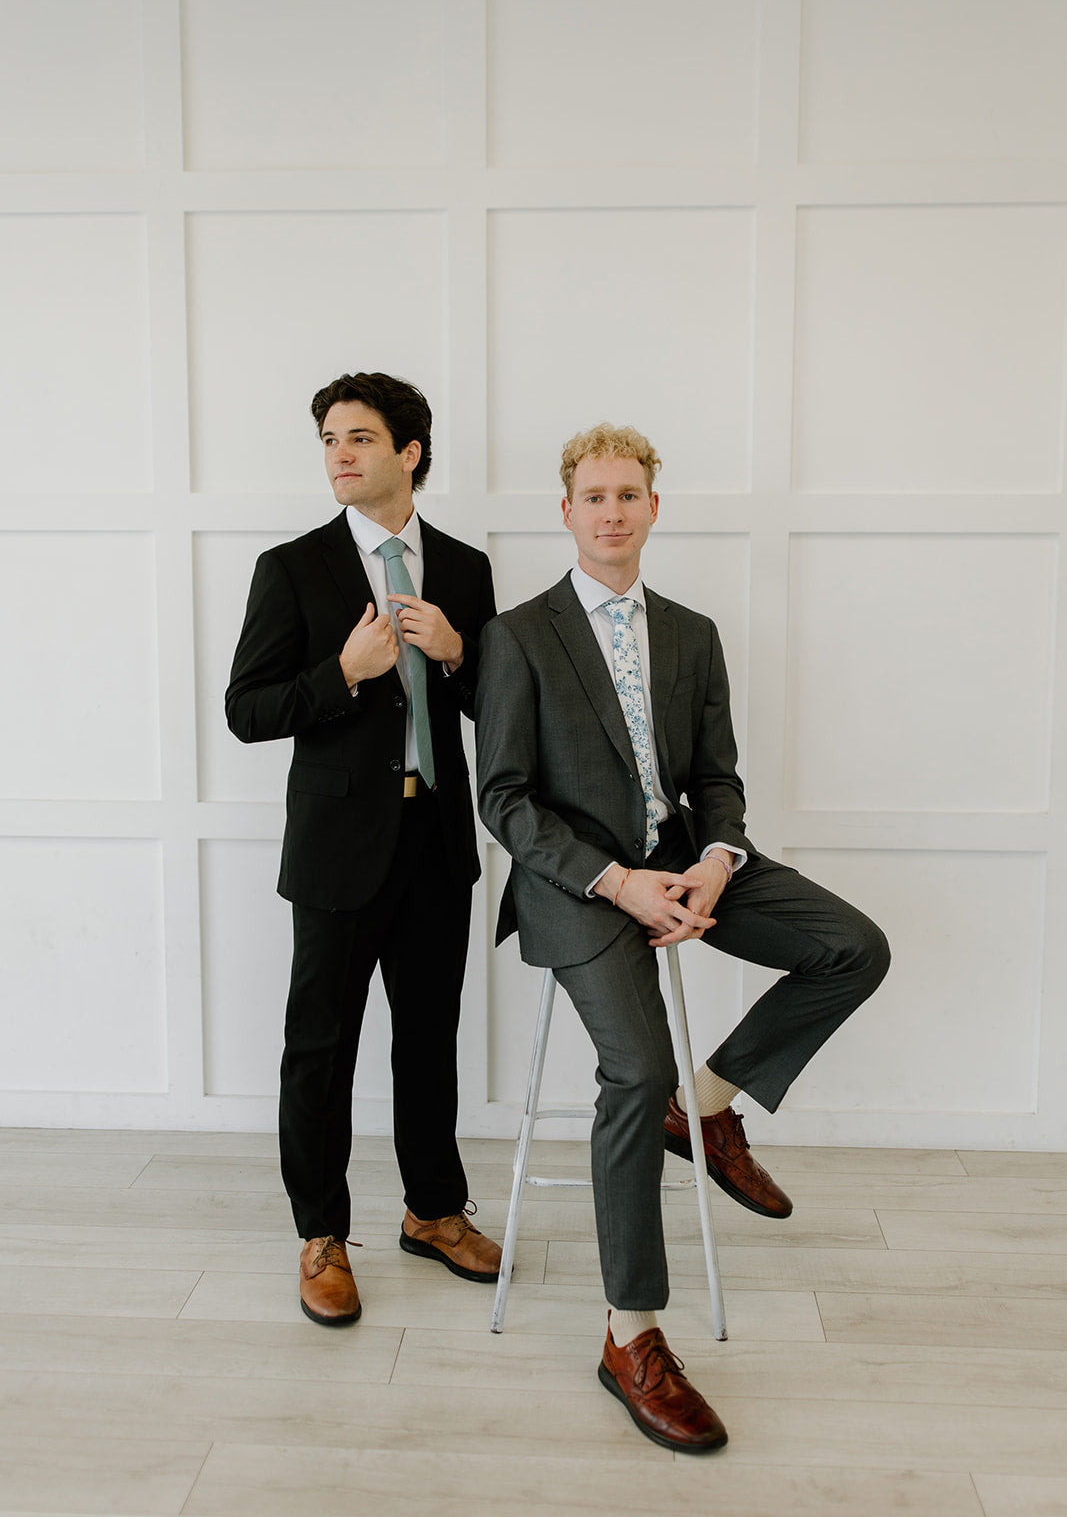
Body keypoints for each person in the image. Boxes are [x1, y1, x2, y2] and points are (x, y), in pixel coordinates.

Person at [476, 423, 890, 1452]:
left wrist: (715, 857)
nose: (611, 511)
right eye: (593, 496)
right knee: (632, 1068)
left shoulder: (692, 633)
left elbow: (716, 777)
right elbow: (504, 798)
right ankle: (630, 1335)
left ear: (653, 508)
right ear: (565, 512)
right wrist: (616, 881)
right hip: (580, 885)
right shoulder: (518, 636)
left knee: (852, 946)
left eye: (628, 494)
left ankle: (700, 1109)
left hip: (684, 861)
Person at [226, 371, 502, 1326]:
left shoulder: (462, 566)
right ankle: (321, 1236)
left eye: (359, 439)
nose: (339, 455)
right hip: (338, 848)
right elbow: (247, 709)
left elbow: (497, 709)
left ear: (409, 453)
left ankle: (433, 1212)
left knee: (428, 1040)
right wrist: (343, 673)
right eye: (329, 440)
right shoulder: (292, 567)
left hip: (436, 841)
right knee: (321, 1047)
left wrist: (460, 653)